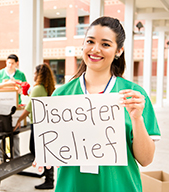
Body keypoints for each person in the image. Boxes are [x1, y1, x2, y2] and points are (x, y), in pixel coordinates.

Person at [44, 16, 161, 192]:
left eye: (105, 44)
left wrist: (137, 119)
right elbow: (52, 147)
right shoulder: (60, 95)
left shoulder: (134, 95)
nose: (95, 49)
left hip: (120, 187)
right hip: (72, 187)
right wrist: (44, 155)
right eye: (90, 41)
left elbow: (145, 159)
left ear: (118, 51)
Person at [14, 63, 56, 190]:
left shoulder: (38, 88)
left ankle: (49, 179)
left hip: (38, 124)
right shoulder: (46, 87)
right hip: (44, 123)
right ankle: (47, 173)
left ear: (39, 74)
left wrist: (18, 121)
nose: (33, 75)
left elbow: (29, 108)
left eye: (34, 73)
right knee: (42, 150)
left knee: (35, 149)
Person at [0, 54, 27, 164]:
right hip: (2, 107)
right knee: (1, 134)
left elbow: (24, 88)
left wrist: (19, 89)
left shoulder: (21, 74)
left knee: (15, 133)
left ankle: (16, 157)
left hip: (15, 107)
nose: (10, 65)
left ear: (17, 63)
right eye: (8, 63)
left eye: (12, 63)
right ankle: (1, 157)